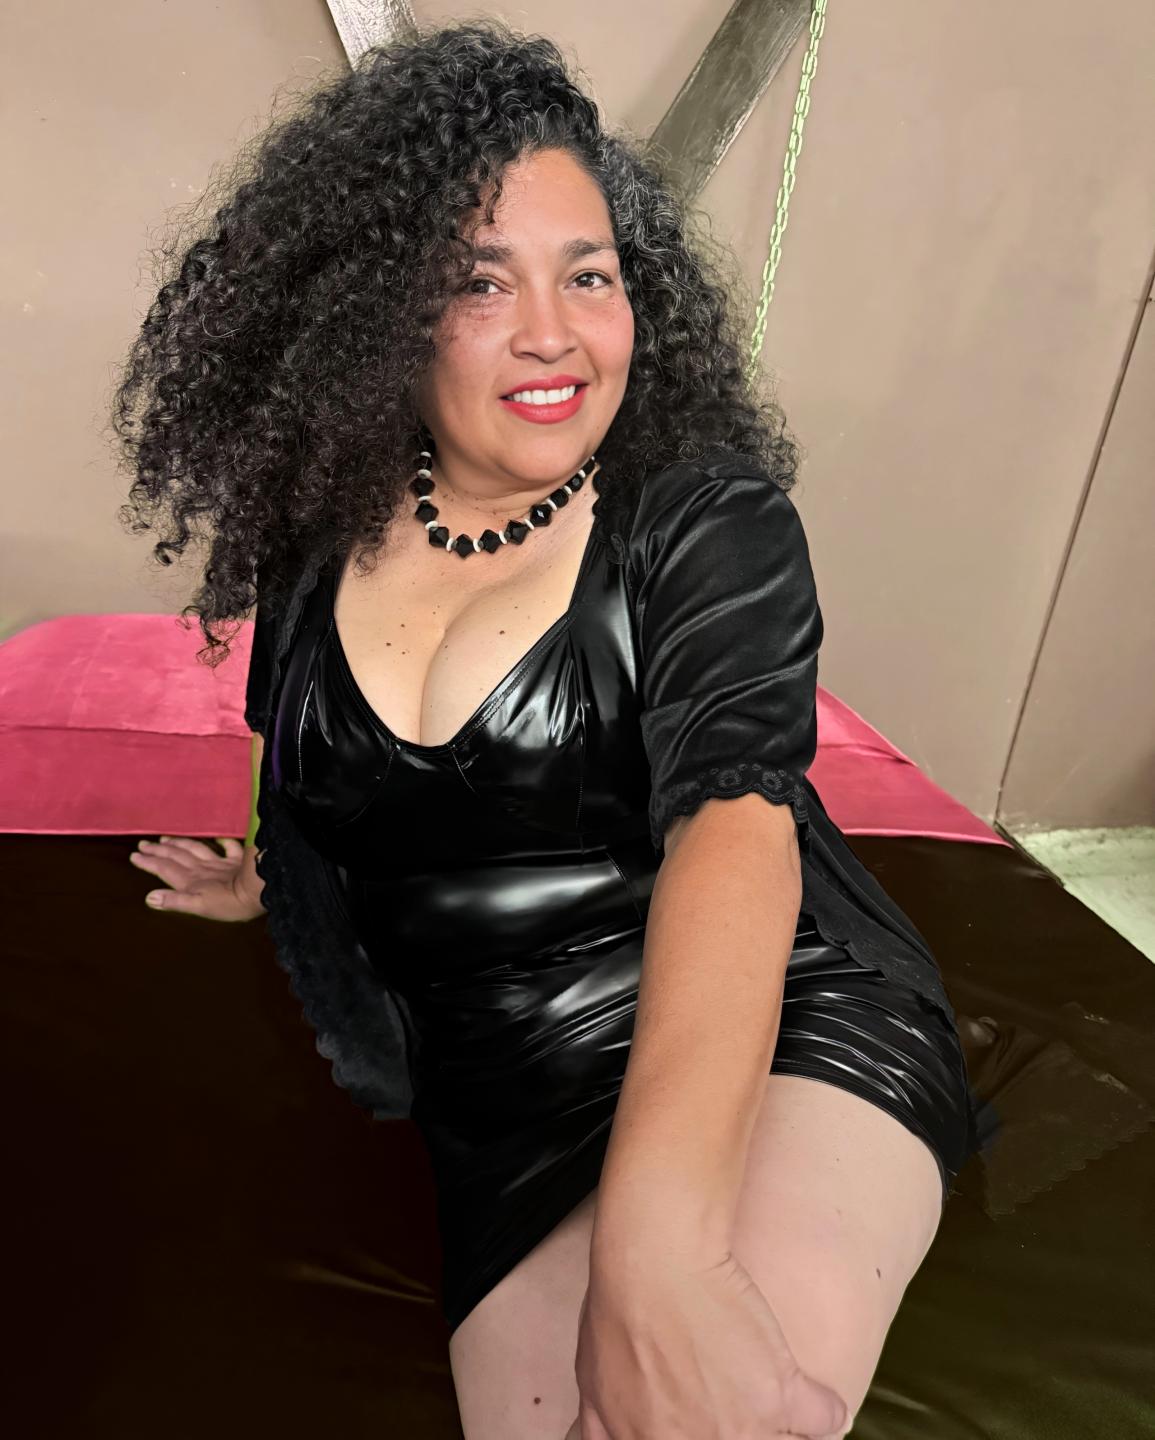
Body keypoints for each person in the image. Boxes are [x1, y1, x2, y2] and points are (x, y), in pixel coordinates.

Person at [114, 20, 989, 1440]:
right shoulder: (317, 551)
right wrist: (271, 877)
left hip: (777, 1023)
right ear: (378, 320)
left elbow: (737, 826)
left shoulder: (702, 519)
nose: (553, 334)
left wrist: (663, 1249)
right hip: (504, 1099)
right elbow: (325, 776)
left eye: (590, 275)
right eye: (480, 280)